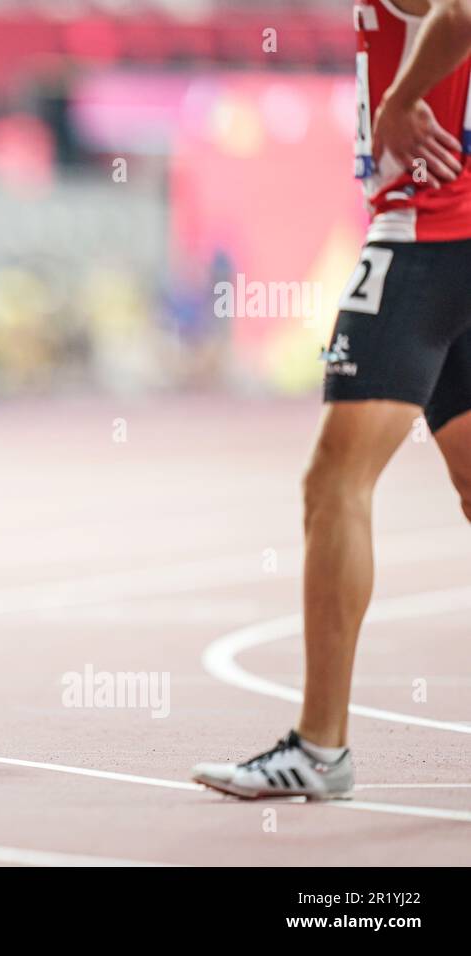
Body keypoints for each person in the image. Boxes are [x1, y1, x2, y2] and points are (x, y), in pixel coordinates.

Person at [194, 0, 471, 799]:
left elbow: (456, 12)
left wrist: (398, 100)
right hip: (454, 237)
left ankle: (319, 748)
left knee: (333, 483)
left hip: (423, 245)